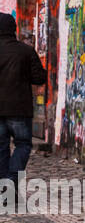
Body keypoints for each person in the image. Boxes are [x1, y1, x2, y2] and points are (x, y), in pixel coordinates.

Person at [0, 12, 47, 184]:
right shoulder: (26, 51)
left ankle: (5, 184)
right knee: (23, 145)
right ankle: (11, 180)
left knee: (1, 147)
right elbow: (39, 78)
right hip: (20, 108)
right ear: (13, 29)